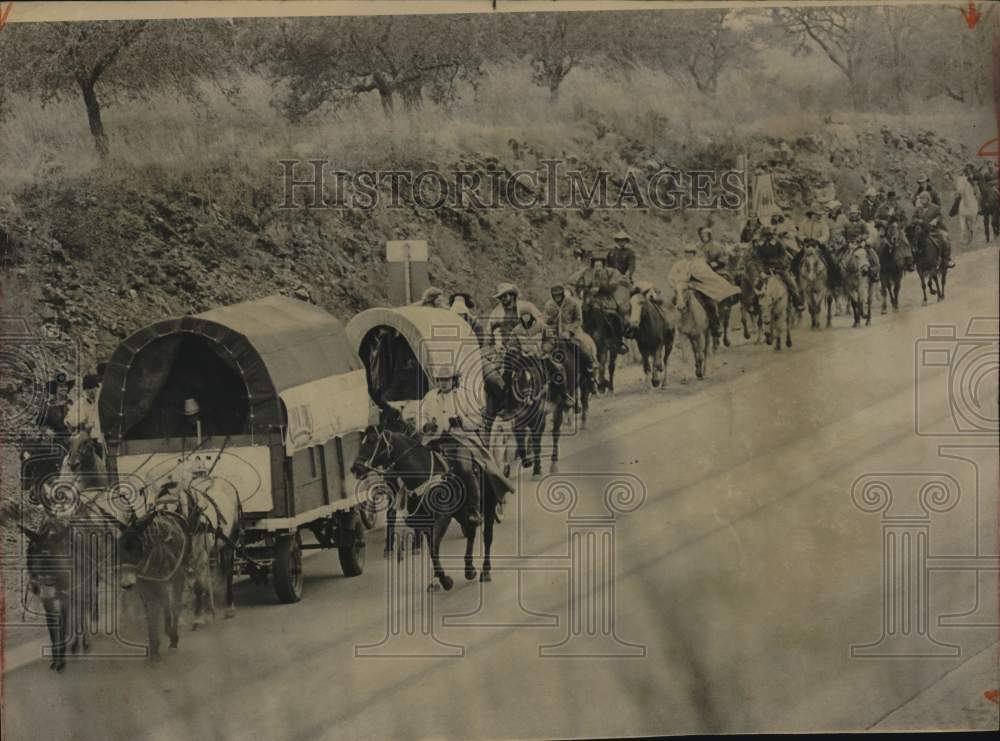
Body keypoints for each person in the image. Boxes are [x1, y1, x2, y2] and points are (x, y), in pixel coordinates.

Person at [413, 367, 515, 525]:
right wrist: (425, 425)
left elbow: (477, 420)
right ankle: (412, 506)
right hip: (435, 440)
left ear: (453, 380)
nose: (444, 383)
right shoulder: (430, 397)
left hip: (461, 440)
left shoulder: (463, 396)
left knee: (465, 468)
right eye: (441, 380)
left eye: (447, 380)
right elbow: (420, 416)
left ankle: (474, 508)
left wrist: (461, 422)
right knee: (417, 464)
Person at [542, 283, 598, 401]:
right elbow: (545, 321)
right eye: (555, 295)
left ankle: (591, 375)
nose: (557, 297)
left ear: (563, 294)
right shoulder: (549, 305)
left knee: (583, 348)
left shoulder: (573, 303)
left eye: (559, 295)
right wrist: (549, 322)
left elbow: (579, 320)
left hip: (572, 333)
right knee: (544, 351)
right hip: (554, 334)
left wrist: (569, 331)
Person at [668, 243, 739, 336]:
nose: (688, 255)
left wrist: (693, 283)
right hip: (682, 288)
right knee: (670, 304)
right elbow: (671, 276)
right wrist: (675, 285)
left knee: (710, 304)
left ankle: (715, 326)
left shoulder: (700, 264)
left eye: (690, 253)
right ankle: (671, 327)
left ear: (694, 254)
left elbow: (706, 277)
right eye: (686, 253)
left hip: (698, 288)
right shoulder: (679, 264)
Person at [576, 254, 631, 355]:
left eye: (600, 266)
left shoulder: (610, 273)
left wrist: (600, 288)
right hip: (590, 300)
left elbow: (614, 286)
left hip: (606, 299)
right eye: (596, 266)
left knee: (616, 318)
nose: (598, 268)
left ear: (603, 266)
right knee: (580, 314)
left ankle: (618, 342)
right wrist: (582, 291)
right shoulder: (586, 274)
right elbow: (579, 285)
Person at [752, 228, 805, 310]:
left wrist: (777, 263)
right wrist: (761, 271)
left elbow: (783, 254)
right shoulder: (759, 245)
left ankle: (797, 301)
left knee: (790, 283)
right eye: (765, 236)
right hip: (766, 268)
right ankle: (755, 305)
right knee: (756, 285)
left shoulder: (778, 242)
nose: (768, 237)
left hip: (779, 267)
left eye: (770, 235)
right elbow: (758, 259)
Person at [912, 191, 955, 268]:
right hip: (922, 230)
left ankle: (947, 259)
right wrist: (919, 221)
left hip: (934, 230)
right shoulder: (918, 209)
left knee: (944, 239)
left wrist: (935, 220)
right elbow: (913, 218)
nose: (923, 200)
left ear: (928, 199)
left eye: (924, 198)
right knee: (913, 240)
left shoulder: (935, 207)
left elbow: (940, 216)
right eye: (921, 199)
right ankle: (913, 260)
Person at [953, 165, 980, 245]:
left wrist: (972, 181)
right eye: (962, 171)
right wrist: (958, 190)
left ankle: (979, 208)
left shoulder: (970, 174)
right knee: (957, 199)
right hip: (963, 191)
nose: (962, 172)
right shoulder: (960, 177)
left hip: (971, 189)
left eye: (963, 171)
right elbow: (958, 185)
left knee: (978, 196)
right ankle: (953, 210)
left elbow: (975, 181)